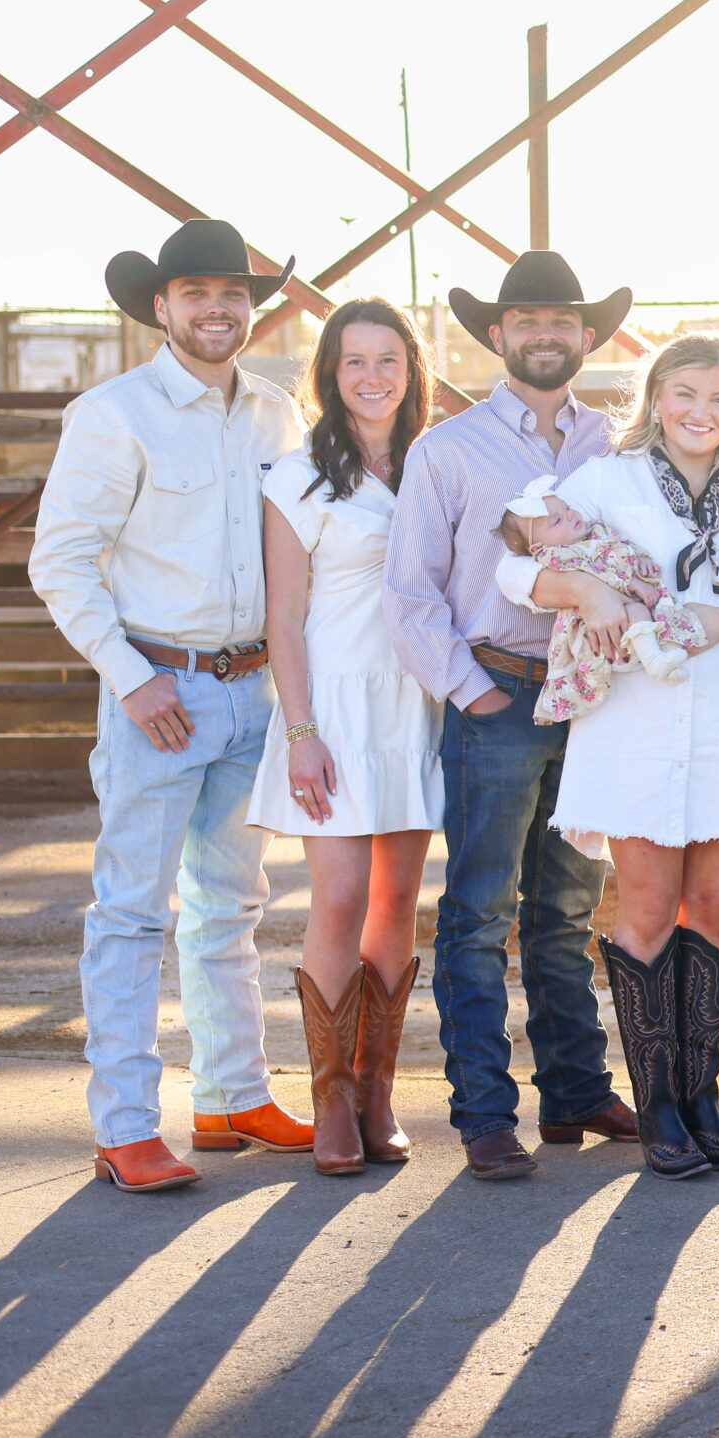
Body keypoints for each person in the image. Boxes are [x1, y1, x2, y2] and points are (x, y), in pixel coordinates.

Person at [30, 218, 314, 1192]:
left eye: (233, 294)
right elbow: (60, 563)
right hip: (159, 690)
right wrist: (132, 676)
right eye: (196, 292)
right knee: (130, 914)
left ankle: (232, 1095)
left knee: (230, 904)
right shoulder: (113, 414)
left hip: (252, 692)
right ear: (161, 305)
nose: (217, 309)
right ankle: (122, 1125)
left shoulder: (278, 414)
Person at [383, 252, 639, 1181]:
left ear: (585, 337)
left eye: (562, 321)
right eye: (526, 319)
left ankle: (574, 1090)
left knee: (569, 906)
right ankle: (486, 1111)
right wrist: (472, 690)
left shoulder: (614, 444)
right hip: (496, 694)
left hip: (593, 700)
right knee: (481, 910)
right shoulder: (447, 450)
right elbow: (409, 592)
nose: (544, 334)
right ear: (496, 335)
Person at [499, 332, 719, 1180]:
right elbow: (513, 571)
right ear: (656, 397)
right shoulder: (604, 481)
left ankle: (703, 1098)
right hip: (636, 725)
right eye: (685, 394)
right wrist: (588, 588)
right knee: (650, 907)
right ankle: (658, 1106)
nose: (701, 412)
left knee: (713, 910)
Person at [248, 298, 445, 1176]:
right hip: (332, 705)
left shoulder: (434, 466)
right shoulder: (299, 476)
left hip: (415, 703)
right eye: (354, 361)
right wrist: (300, 732)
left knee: (398, 904)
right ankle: (327, 1093)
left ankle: (374, 1089)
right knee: (337, 897)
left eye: (388, 360)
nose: (372, 377)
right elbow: (283, 617)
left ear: (412, 371)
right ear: (330, 373)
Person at [497, 481, 703, 706]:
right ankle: (654, 660)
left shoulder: (594, 532)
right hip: (602, 629)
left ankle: (665, 664)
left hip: (622, 612)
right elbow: (599, 577)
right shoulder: (559, 557)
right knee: (637, 610)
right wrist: (634, 582)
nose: (569, 515)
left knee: (664, 611)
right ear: (538, 547)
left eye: (566, 508)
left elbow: (622, 546)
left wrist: (640, 558)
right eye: (556, 521)